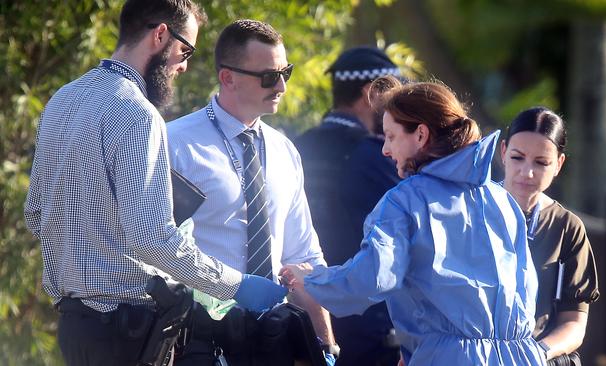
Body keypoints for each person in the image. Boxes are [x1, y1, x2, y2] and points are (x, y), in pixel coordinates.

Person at [23, 2, 285, 365]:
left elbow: (36, 214)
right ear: (160, 34)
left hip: (74, 328)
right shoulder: (138, 114)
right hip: (129, 331)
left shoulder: (62, 100)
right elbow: (152, 238)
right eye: (185, 50)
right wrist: (237, 285)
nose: (184, 65)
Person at [280, 77, 547, 365]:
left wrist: (312, 279)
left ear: (420, 135)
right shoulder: (502, 198)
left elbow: (371, 279)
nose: (384, 149)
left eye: (391, 136)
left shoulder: (404, 200)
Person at [166, 19, 336, 364]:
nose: (282, 87)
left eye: (285, 73)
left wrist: (325, 343)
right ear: (227, 77)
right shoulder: (174, 144)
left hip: (273, 341)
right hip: (200, 341)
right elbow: (154, 247)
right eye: (270, 77)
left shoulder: (285, 150)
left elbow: (303, 259)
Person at [294, 48, 401, 365]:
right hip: (368, 323)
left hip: (306, 313)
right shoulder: (375, 154)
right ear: (372, 94)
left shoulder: (296, 145)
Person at [500, 107, 600, 365]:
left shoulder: (567, 227)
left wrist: (535, 354)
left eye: (541, 162)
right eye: (517, 157)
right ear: (502, 153)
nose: (527, 172)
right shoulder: (470, 211)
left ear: (559, 164)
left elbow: (574, 323)